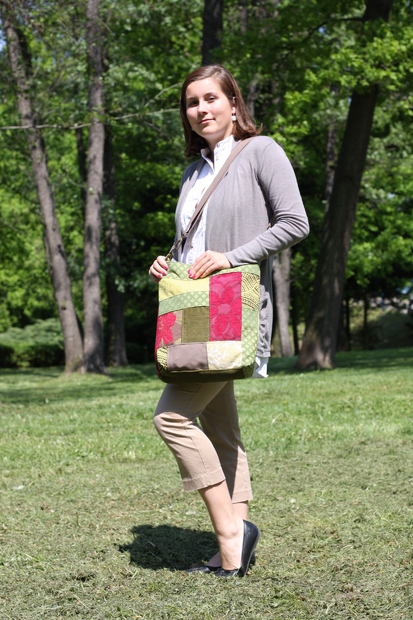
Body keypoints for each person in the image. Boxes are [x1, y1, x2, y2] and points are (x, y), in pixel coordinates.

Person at [149, 64, 309, 577]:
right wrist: (167, 263)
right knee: (222, 431)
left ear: (234, 103)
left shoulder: (261, 151)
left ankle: (231, 534)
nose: (201, 109)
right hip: (195, 310)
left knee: (171, 418)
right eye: (192, 102)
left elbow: (295, 222)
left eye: (211, 98)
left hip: (232, 311)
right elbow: (194, 245)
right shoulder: (192, 172)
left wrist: (231, 257)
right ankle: (231, 551)